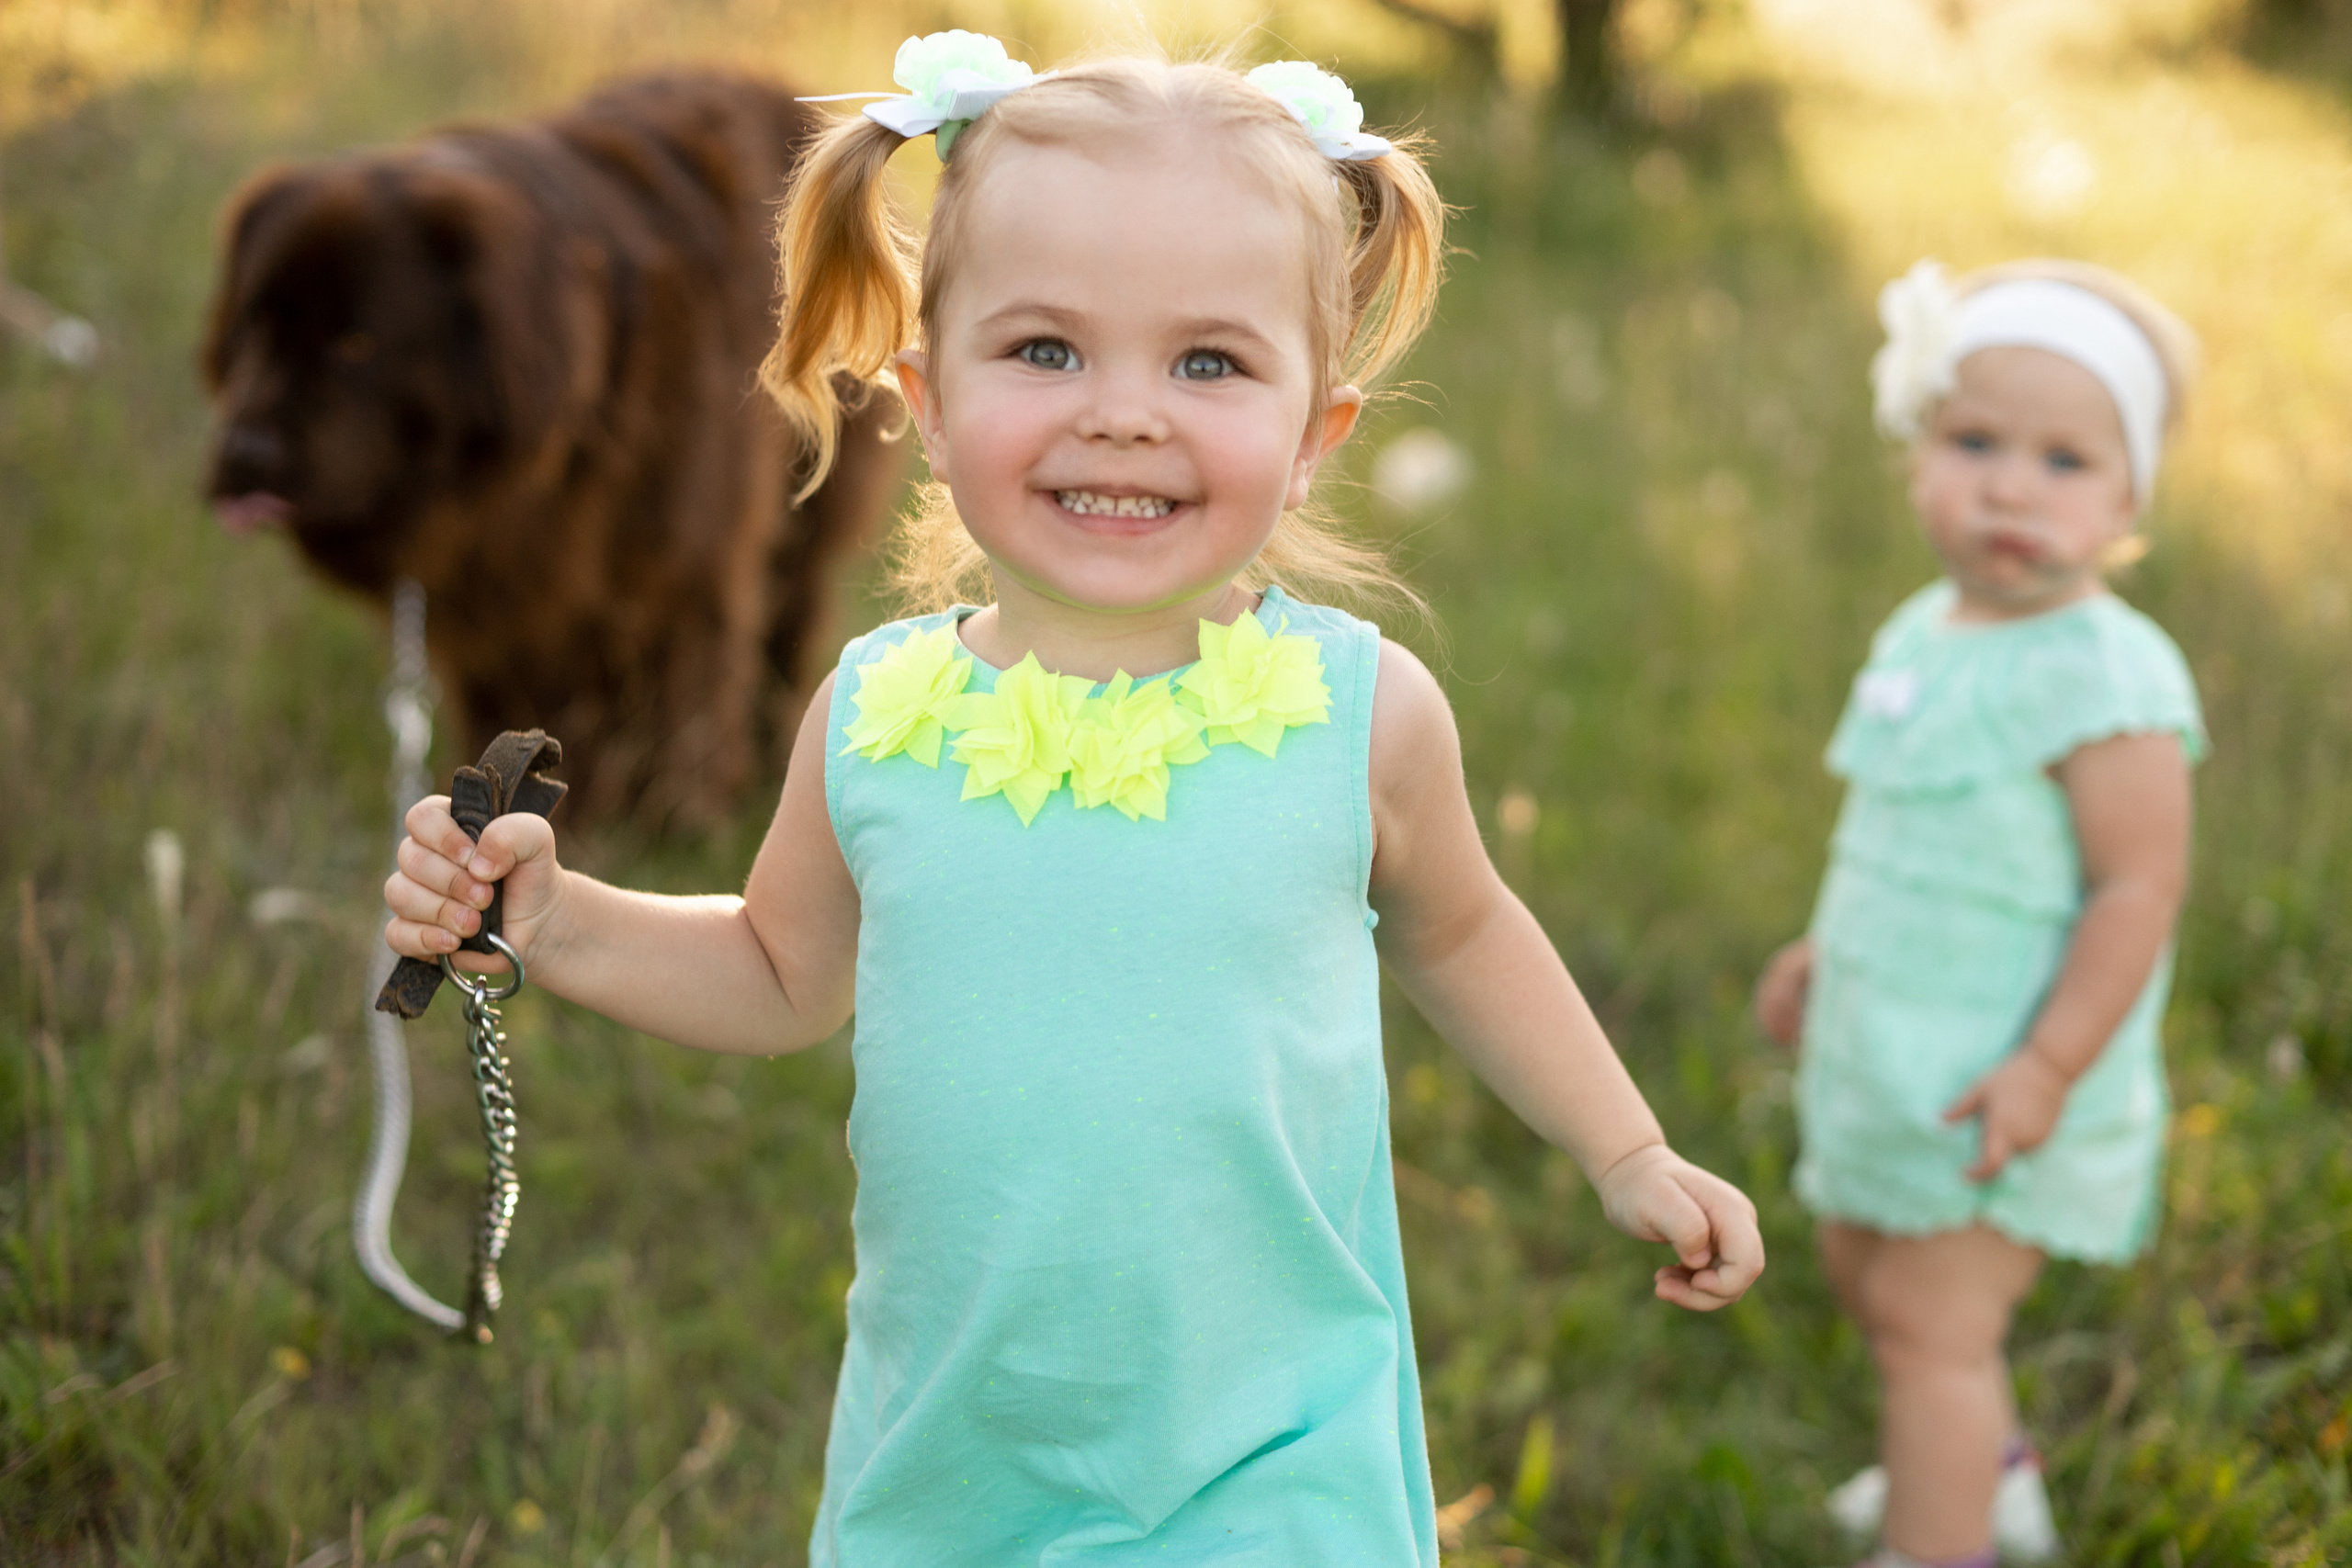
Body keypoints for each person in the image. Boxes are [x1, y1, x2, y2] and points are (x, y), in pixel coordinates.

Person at [382, 37, 1764, 1565]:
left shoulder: (1354, 716)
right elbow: (778, 971)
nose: (1123, 413)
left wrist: (1628, 1148)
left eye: (1209, 363)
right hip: (959, 1454)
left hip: (1271, 1450)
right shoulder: (878, 719)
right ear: (925, 392)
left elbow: (1461, 933)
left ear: (1316, 437)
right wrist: (560, 924)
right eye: (1046, 350)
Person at [1753, 258, 2204, 1568]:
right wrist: (1821, 953)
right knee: (1861, 1269)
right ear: (1916, 457)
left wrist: (2050, 1063)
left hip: (2007, 1074)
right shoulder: (1923, 631)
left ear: (2130, 499)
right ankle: (1984, 1469)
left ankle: (1937, 1532)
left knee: (1931, 1332)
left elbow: (2138, 888)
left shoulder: (2106, 673)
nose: (2010, 484)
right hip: (1894, 1053)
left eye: (2064, 461)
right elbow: (1899, 837)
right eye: (1975, 442)